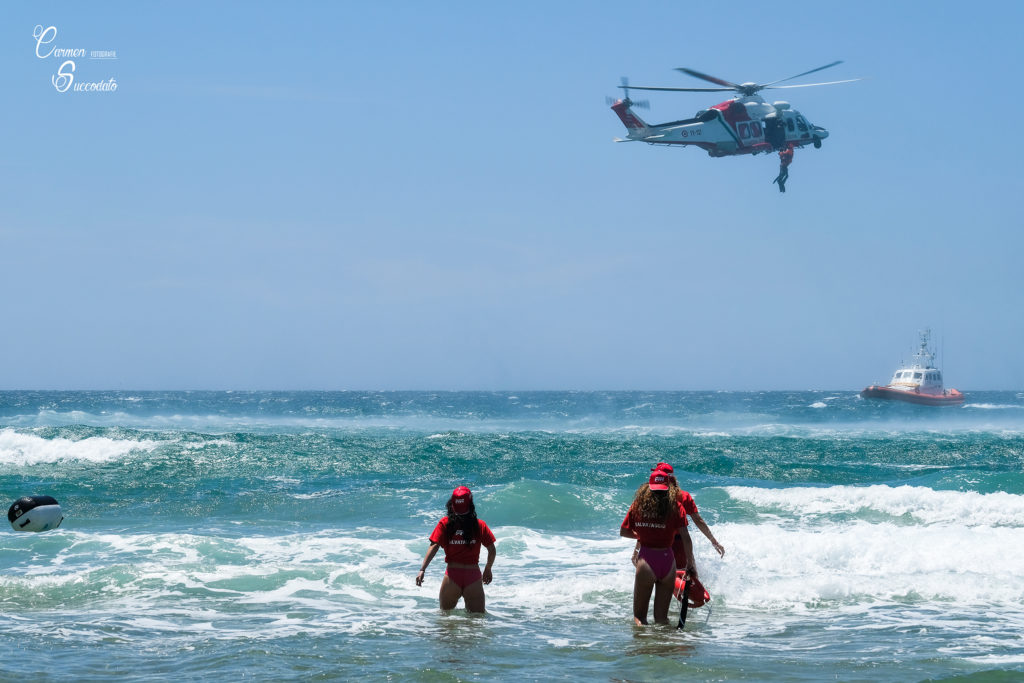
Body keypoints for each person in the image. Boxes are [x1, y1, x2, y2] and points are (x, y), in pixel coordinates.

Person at [416, 486, 496, 613]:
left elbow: (434, 546)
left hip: (452, 577)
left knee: (446, 622)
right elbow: (492, 550)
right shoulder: (480, 525)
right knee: (476, 624)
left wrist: (422, 569)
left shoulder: (445, 523)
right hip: (473, 577)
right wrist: (488, 569)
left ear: (452, 503)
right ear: (470, 503)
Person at [620, 470, 685, 625]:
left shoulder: (638, 506)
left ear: (648, 487)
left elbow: (624, 531)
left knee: (640, 618)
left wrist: (643, 536)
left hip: (646, 561)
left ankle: (645, 647)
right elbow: (686, 538)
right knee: (662, 619)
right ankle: (663, 647)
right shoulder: (676, 507)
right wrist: (690, 565)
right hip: (668, 562)